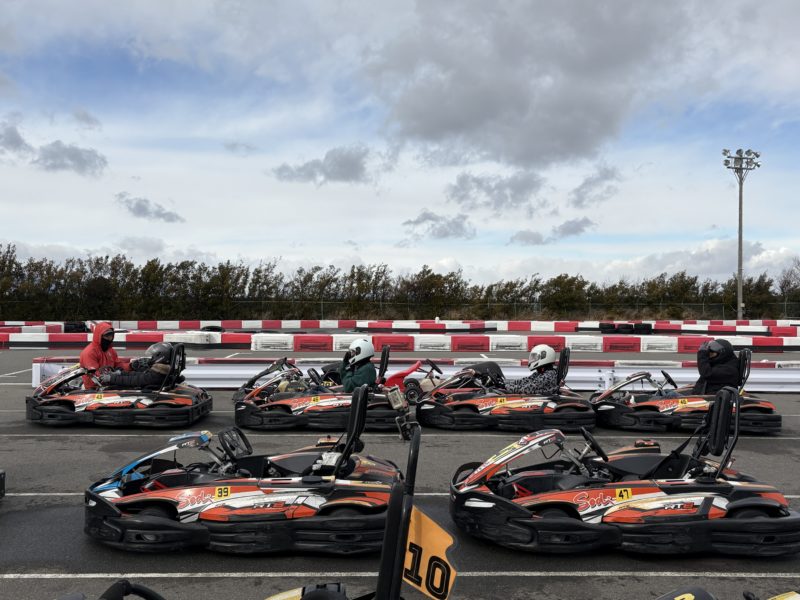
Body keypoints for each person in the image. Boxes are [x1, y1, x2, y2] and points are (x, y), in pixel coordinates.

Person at [98, 342, 174, 390]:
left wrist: (111, 378)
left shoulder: (156, 376)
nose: (151, 358)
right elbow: (139, 375)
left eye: (153, 356)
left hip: (144, 392)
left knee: (111, 389)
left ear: (160, 357)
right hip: (144, 387)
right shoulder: (160, 372)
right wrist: (120, 373)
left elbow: (133, 380)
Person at [79, 322, 130, 389]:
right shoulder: (89, 352)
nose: (109, 338)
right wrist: (113, 376)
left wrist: (131, 366)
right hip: (94, 388)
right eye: (107, 336)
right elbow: (94, 375)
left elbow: (118, 365)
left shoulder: (111, 350)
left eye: (111, 336)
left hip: (109, 384)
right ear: (99, 336)